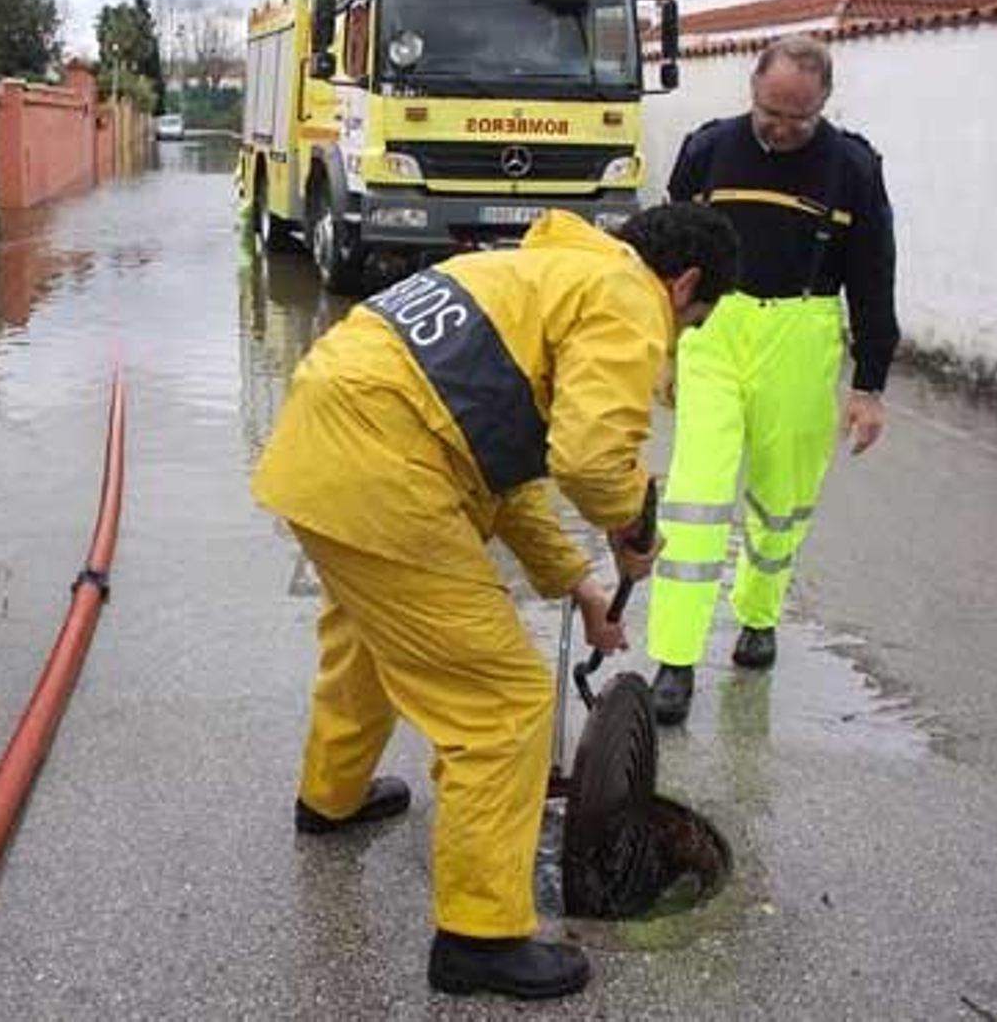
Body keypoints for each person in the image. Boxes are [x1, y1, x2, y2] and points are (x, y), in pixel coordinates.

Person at [251, 204, 738, 999]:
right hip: (384, 468)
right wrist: (628, 520)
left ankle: (329, 796)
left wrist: (581, 585)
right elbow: (589, 460)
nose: (677, 338)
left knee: (371, 638)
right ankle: (479, 937)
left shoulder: (538, 270)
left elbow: (499, 475)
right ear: (684, 284)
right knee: (503, 702)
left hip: (324, 445)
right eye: (694, 320)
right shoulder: (628, 297)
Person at [645, 35, 899, 727]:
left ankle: (758, 618)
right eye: (770, 111)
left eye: (799, 118)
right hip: (715, 332)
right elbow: (665, 254)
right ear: (751, 88)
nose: (781, 128)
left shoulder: (852, 167)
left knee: (781, 496)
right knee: (696, 496)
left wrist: (870, 384)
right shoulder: (707, 149)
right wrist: (661, 348)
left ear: (824, 104)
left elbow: (874, 273)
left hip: (802, 333)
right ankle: (674, 657)